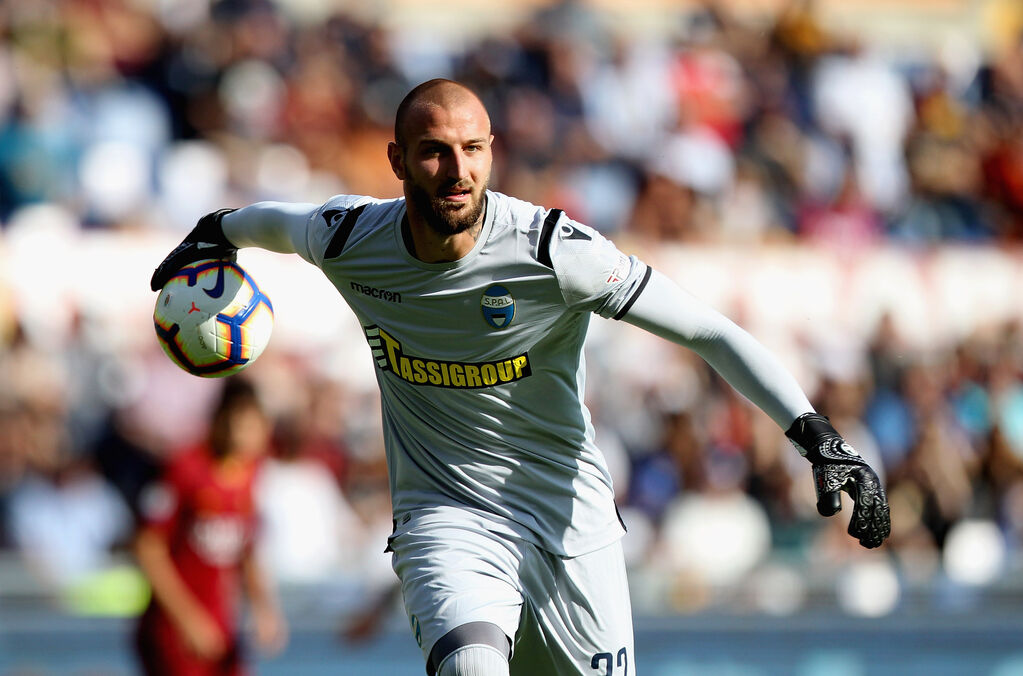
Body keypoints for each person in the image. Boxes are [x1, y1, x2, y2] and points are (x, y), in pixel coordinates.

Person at [150, 79, 889, 676]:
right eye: (434, 152)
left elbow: (707, 330)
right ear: (398, 160)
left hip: (570, 522)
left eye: (472, 149)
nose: (457, 169)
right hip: (446, 518)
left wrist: (819, 438)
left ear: (492, 152)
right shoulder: (348, 238)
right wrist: (207, 237)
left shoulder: (552, 251)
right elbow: (253, 223)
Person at [133, 379, 286, 676]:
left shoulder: (251, 474)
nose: (245, 436)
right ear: (220, 420)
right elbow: (148, 548)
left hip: (221, 629)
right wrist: (188, 620)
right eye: (239, 424)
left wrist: (264, 608)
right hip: (173, 632)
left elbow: (247, 548)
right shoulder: (183, 468)